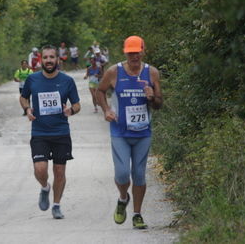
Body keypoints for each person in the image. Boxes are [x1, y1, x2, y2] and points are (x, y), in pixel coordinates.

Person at [96, 36, 163, 229]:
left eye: (137, 51)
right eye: (130, 52)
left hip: (143, 133)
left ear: (143, 51)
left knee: (139, 175)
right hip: (120, 132)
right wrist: (107, 110)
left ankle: (137, 214)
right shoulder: (113, 72)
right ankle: (123, 197)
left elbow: (159, 104)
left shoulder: (152, 73)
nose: (134, 55)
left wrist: (152, 98)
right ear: (125, 52)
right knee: (123, 173)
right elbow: (100, 91)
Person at [20, 45, 81, 219]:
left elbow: (77, 104)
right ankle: (45, 187)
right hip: (39, 132)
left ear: (57, 59)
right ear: (41, 59)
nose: (48, 60)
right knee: (40, 169)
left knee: (60, 171)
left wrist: (70, 110)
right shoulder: (33, 79)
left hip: (61, 132)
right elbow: (23, 97)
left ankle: (56, 205)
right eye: (45, 57)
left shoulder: (67, 81)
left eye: (51, 57)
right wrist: (27, 109)